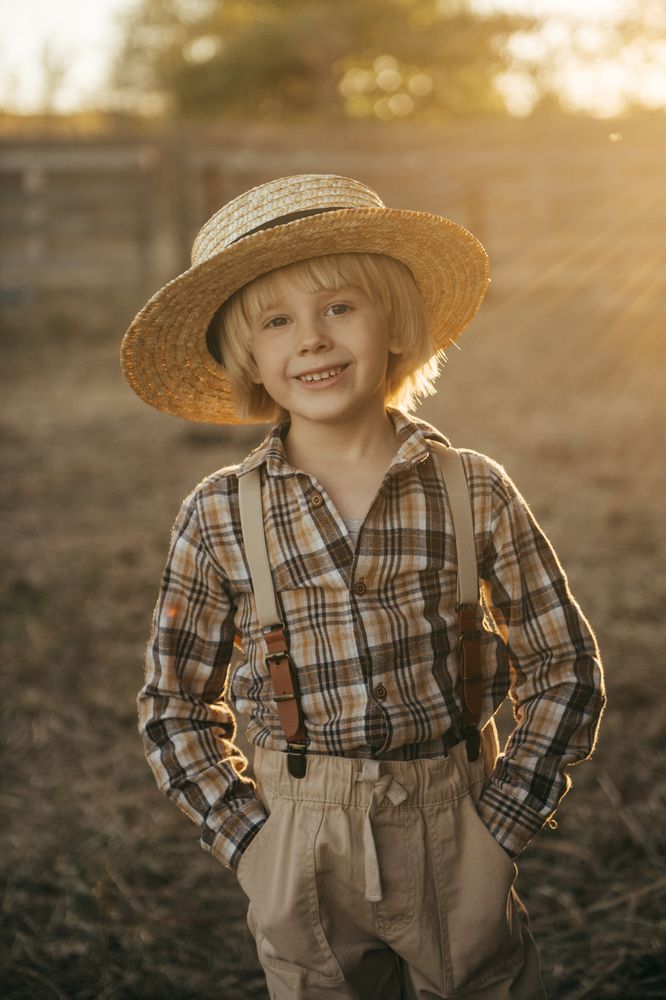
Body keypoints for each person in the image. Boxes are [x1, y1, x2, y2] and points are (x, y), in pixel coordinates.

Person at [121, 173, 605, 1000]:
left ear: (395, 326)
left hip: (455, 822)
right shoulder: (219, 514)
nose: (311, 339)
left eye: (339, 307)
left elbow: (566, 669)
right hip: (299, 836)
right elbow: (173, 706)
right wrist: (252, 845)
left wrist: (500, 832)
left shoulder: (473, 489)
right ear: (252, 361)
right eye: (277, 322)